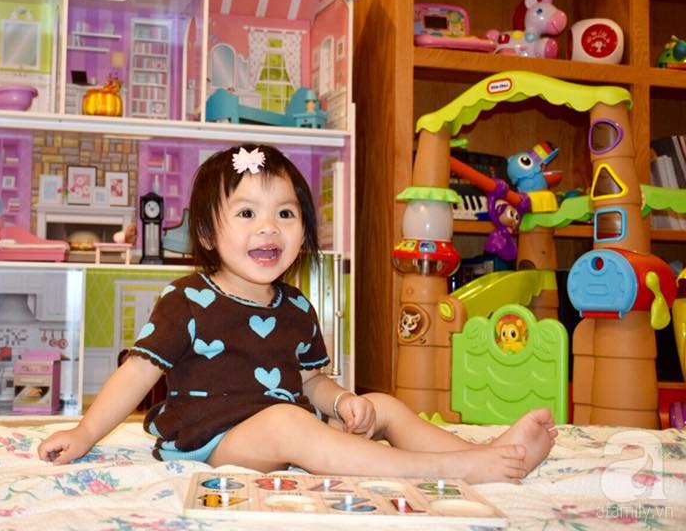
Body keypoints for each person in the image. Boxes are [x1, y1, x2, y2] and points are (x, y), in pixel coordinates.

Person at [38, 144, 557, 484]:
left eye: (285, 213)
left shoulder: (297, 307)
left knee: (381, 404)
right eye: (247, 213)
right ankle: (448, 470)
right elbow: (137, 372)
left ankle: (489, 451)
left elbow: (311, 381)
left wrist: (344, 401)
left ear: (304, 229)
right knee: (289, 423)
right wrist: (84, 434)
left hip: (289, 427)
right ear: (207, 234)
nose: (269, 227)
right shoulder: (186, 300)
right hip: (213, 442)